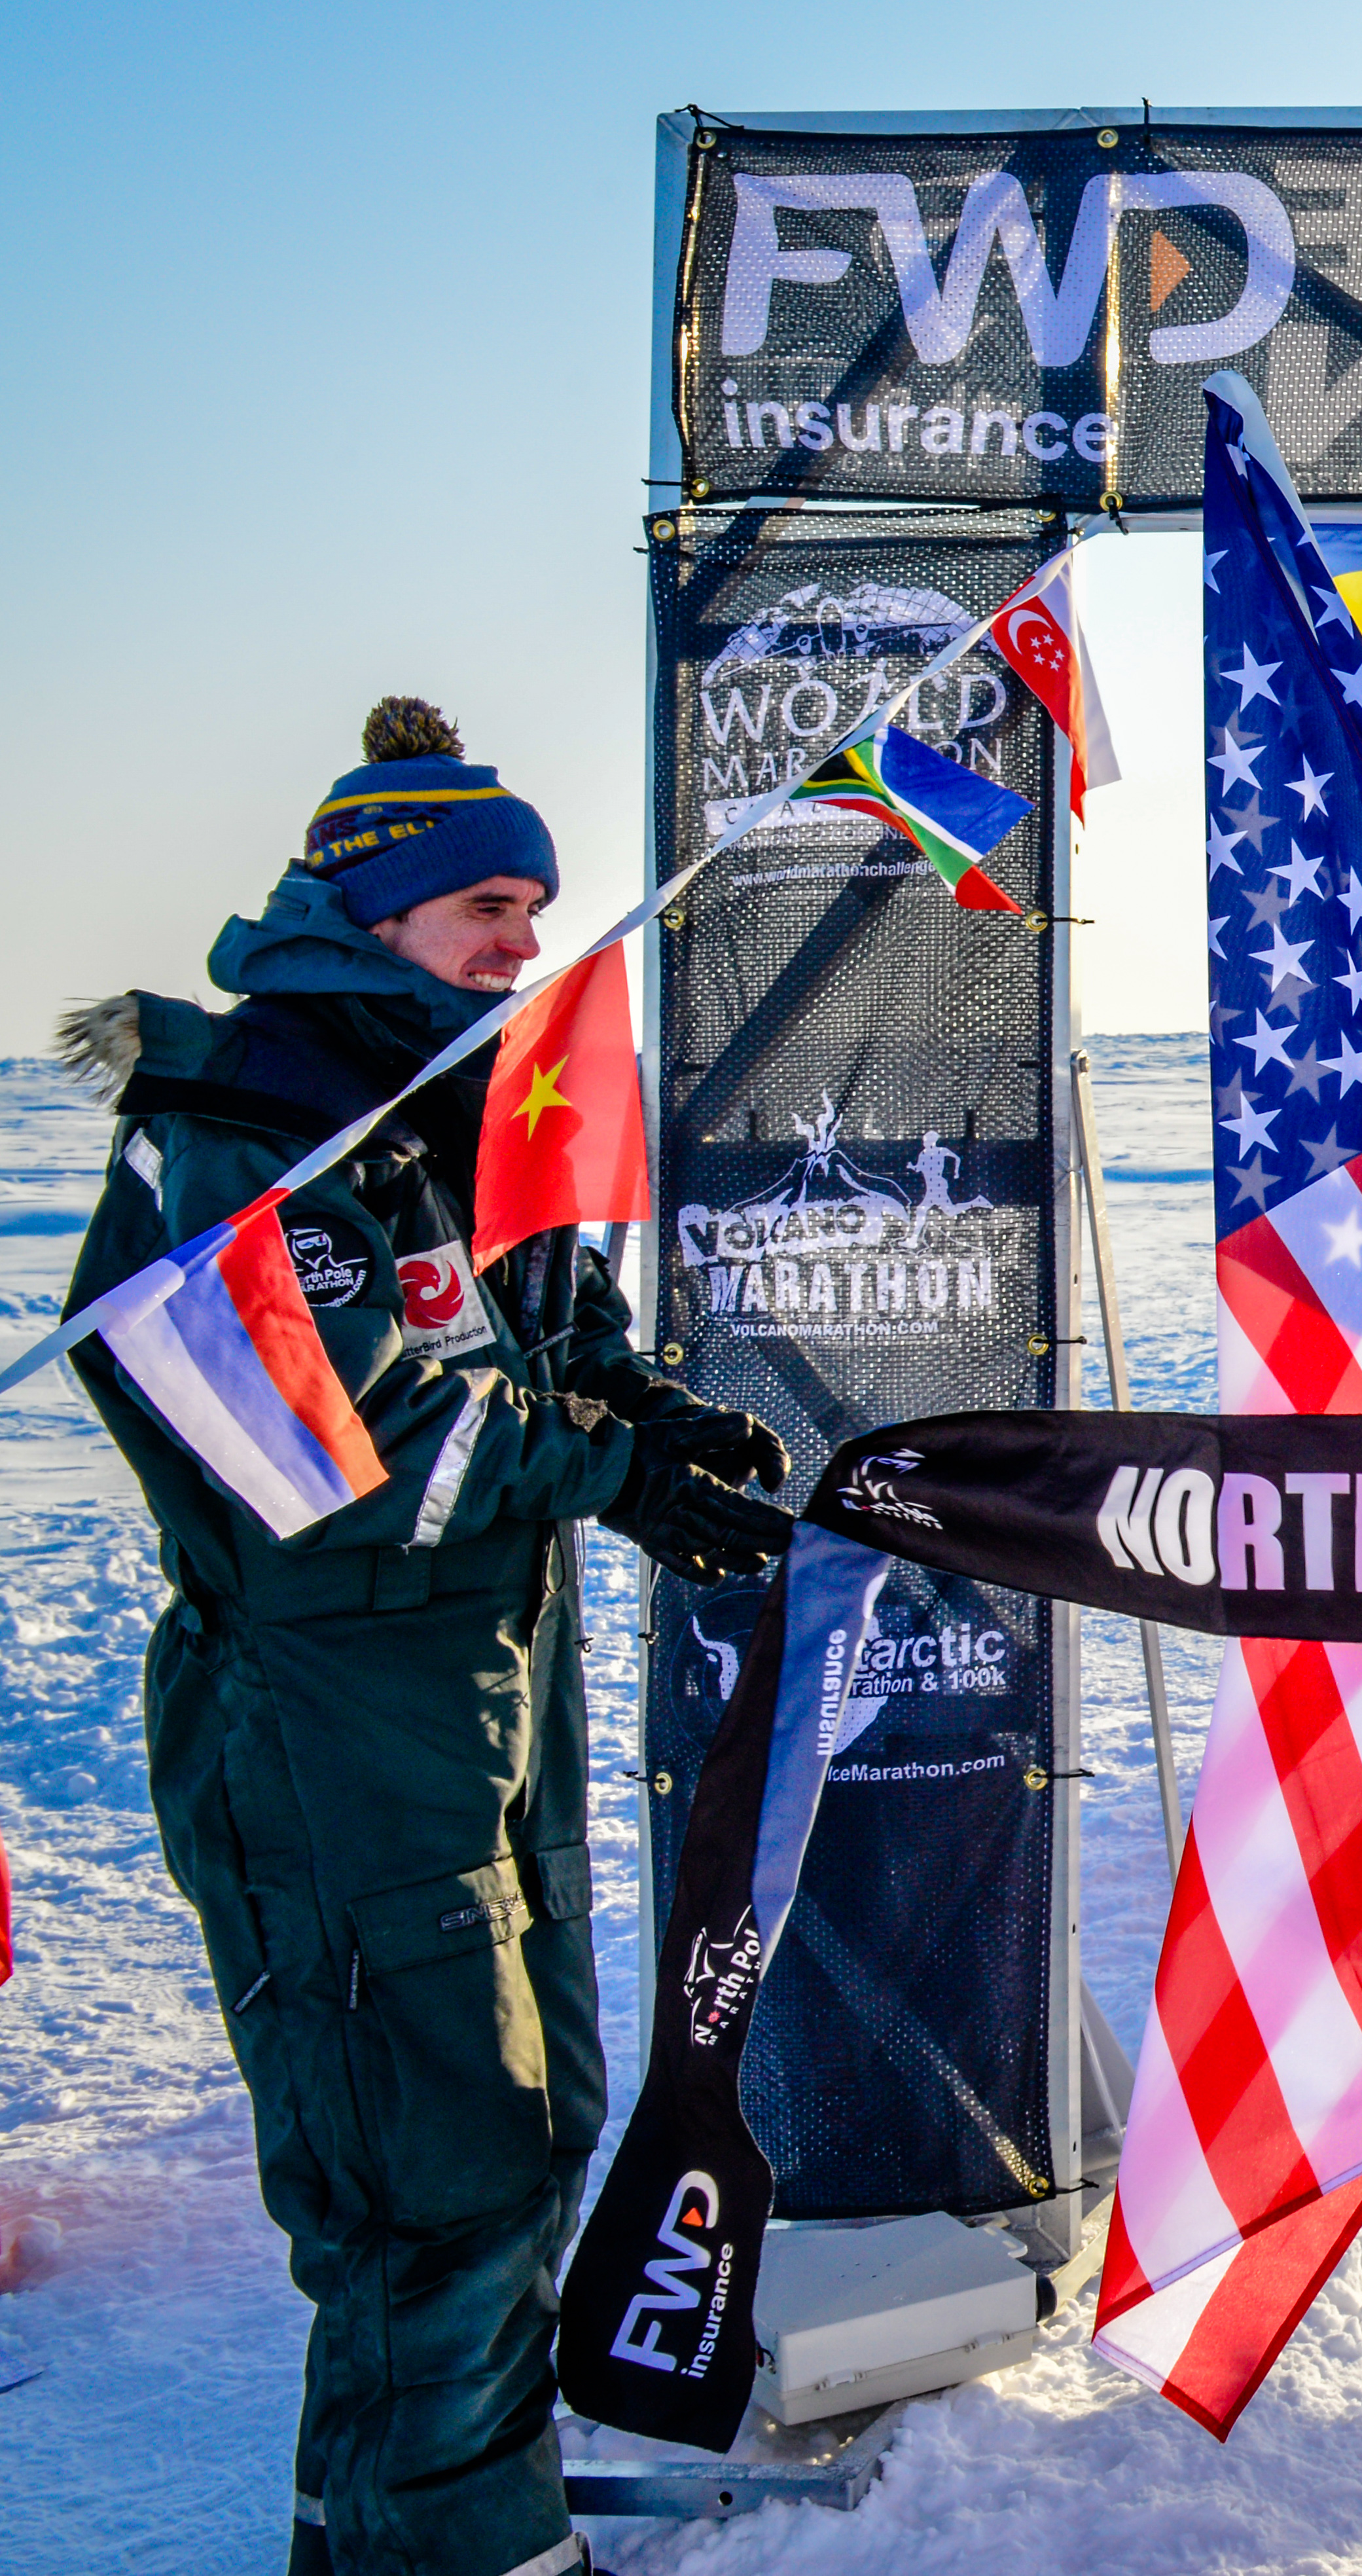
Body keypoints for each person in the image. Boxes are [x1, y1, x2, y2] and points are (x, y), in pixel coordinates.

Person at [62, 699, 796, 2576]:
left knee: (521, 2140)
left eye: (539, 908)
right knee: (427, 2185)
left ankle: (386, 2530)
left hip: (482, 1708)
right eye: (489, 903)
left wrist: (650, 1408)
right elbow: (329, 1440)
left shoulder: (467, 1099)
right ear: (370, 903)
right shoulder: (242, 1117)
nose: (527, 943)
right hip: (325, 1732)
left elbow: (549, 1324)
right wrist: (609, 1471)